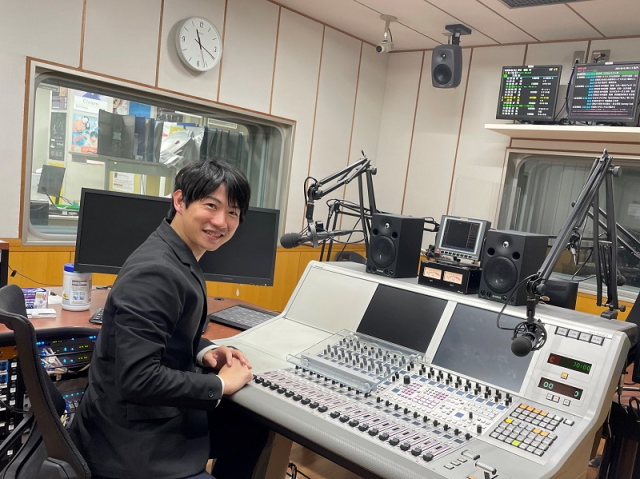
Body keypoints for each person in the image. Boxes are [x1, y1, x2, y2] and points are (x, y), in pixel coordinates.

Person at [70, 158, 269, 479]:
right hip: (130, 444)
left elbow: (170, 332)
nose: (221, 221)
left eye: (232, 212)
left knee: (252, 429)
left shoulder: (175, 252)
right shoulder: (156, 272)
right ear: (180, 200)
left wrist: (206, 351)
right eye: (211, 205)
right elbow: (139, 378)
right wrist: (219, 384)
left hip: (145, 418)